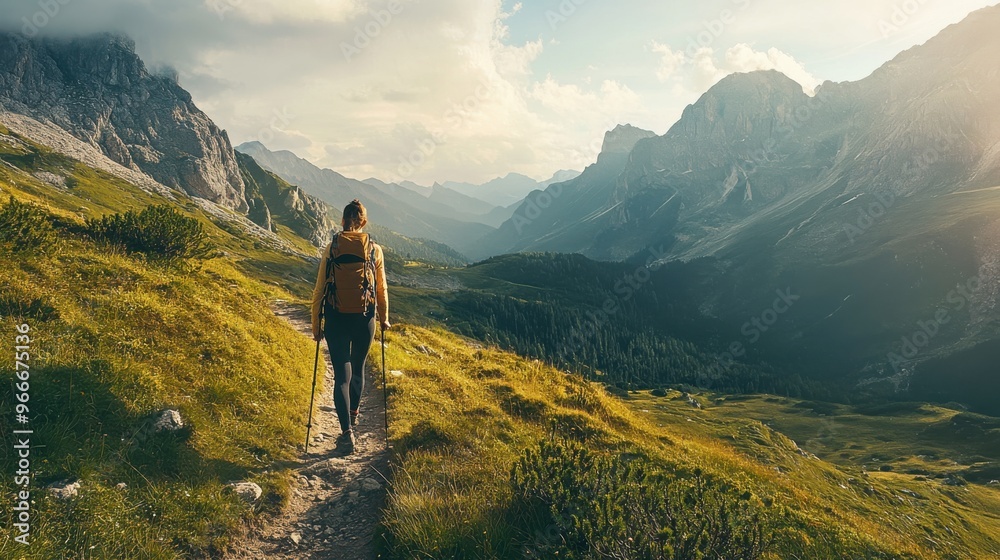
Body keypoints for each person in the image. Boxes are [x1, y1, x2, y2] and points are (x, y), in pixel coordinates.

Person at [311, 199, 390, 453]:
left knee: (341, 378)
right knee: (358, 369)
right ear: (363, 222)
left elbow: (319, 289)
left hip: (336, 318)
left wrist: (316, 325)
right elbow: (381, 289)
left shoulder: (332, 247)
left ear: (343, 221)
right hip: (364, 318)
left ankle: (346, 434)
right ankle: (353, 419)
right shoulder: (374, 250)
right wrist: (384, 317)